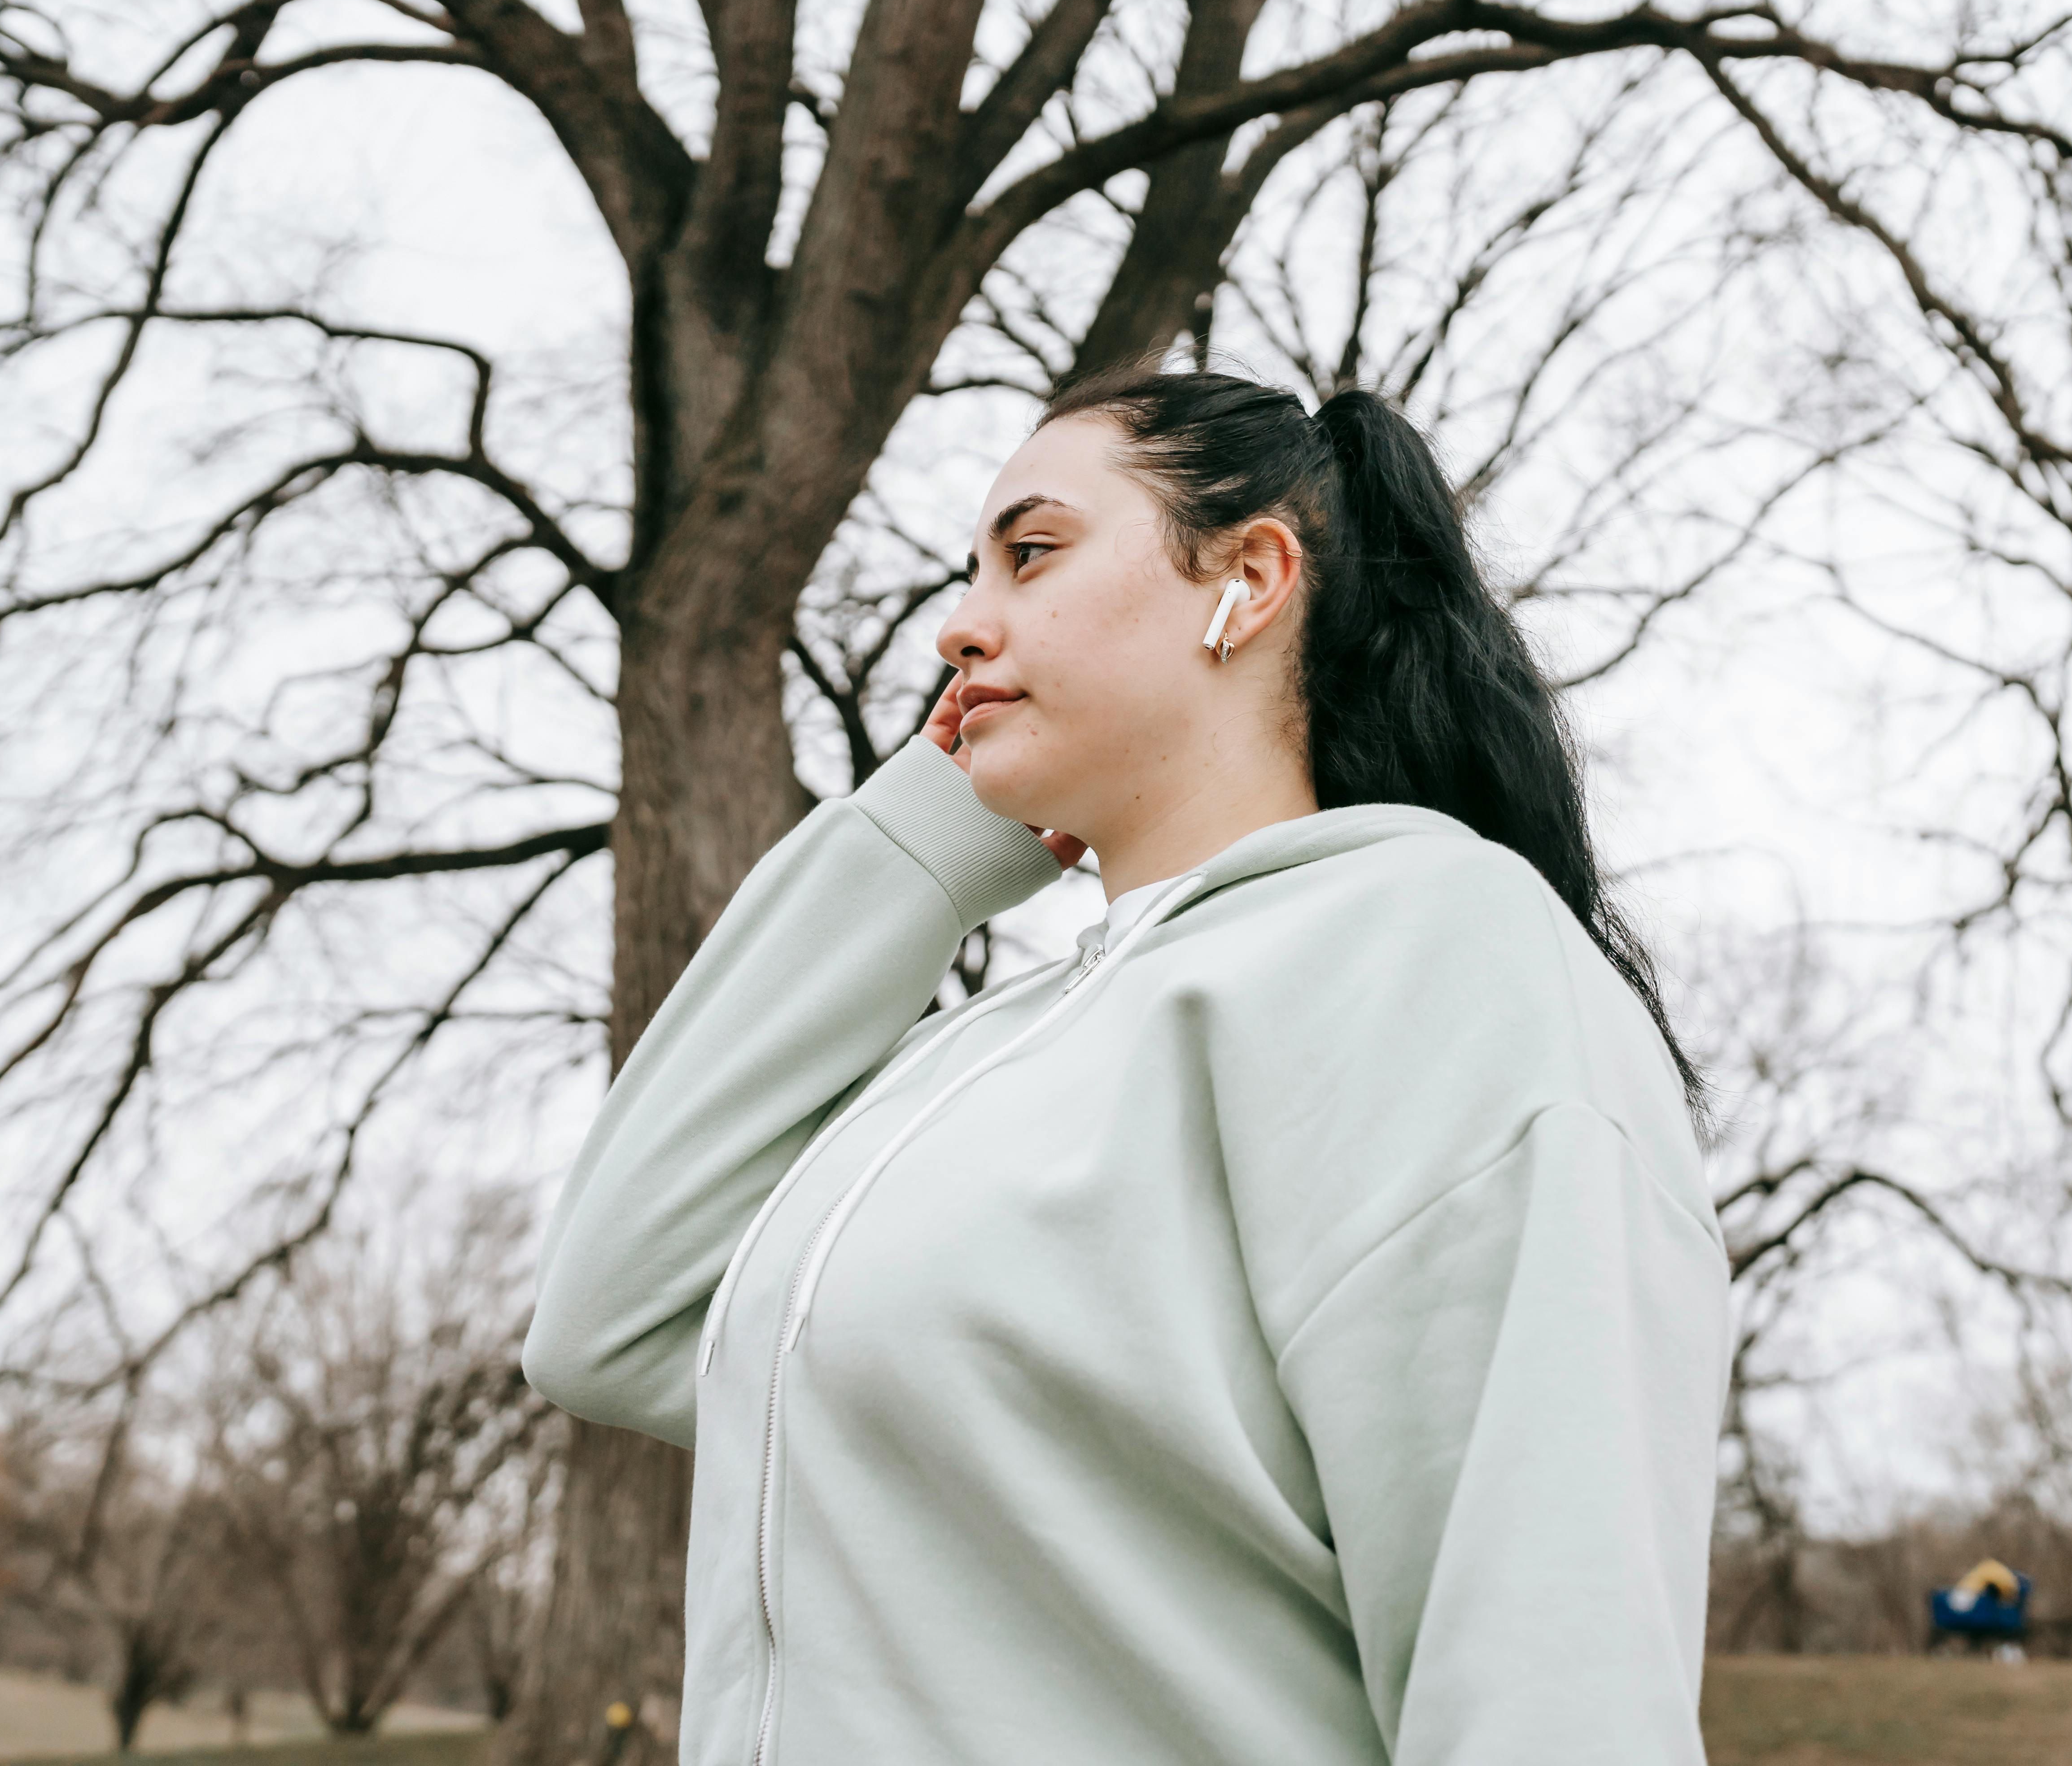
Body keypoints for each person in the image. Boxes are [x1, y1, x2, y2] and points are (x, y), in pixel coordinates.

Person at [522, 365, 1731, 1766]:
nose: (957, 627)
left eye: (1030, 555)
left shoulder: (1432, 948)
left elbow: (1547, 1683)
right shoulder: (966, 1069)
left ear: (1252, 580)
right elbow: (608, 1323)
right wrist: (926, 840)